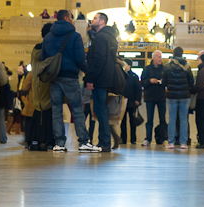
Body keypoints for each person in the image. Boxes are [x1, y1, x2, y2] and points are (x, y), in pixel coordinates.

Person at [42, 9, 99, 153]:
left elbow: (44, 58)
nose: (73, 20)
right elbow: (80, 58)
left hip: (54, 78)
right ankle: (83, 142)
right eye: (71, 17)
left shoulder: (48, 37)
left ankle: (59, 143)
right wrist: (88, 72)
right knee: (77, 110)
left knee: (56, 111)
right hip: (70, 77)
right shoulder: (74, 36)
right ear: (67, 18)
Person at [85, 12, 118, 152]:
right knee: (101, 109)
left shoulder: (100, 37)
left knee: (100, 109)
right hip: (107, 78)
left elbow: (98, 60)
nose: (92, 20)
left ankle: (104, 142)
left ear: (102, 22)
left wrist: (90, 79)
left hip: (99, 79)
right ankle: (104, 141)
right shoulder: (112, 37)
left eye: (95, 18)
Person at [26, 23, 54, 150]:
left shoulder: (35, 49)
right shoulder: (50, 49)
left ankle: (33, 139)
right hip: (48, 83)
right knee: (48, 114)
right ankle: (47, 140)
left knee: (38, 113)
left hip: (37, 83)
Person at [163, 46, 194, 149]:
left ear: (173, 54)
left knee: (172, 118)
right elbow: (191, 81)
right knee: (183, 119)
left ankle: (171, 142)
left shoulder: (167, 66)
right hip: (185, 96)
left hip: (171, 96)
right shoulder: (187, 66)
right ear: (182, 54)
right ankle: (183, 143)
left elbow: (164, 82)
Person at [141, 50, 166, 146]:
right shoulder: (147, 69)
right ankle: (148, 139)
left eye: (161, 57)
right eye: (159, 57)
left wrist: (163, 81)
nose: (161, 59)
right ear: (154, 58)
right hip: (150, 97)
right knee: (149, 119)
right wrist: (150, 81)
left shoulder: (164, 69)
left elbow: (167, 81)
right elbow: (142, 82)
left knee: (162, 119)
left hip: (161, 96)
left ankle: (163, 139)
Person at [120, 59, 141, 145]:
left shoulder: (134, 76)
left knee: (133, 122)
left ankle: (133, 139)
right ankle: (123, 139)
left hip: (132, 101)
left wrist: (137, 100)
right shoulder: (120, 75)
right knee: (123, 122)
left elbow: (138, 89)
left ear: (129, 65)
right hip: (122, 102)